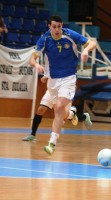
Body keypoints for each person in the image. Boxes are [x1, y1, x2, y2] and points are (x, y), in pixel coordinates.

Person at [29, 15, 96, 155]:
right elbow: (32, 59)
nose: (57, 29)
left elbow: (92, 43)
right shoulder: (45, 39)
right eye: (54, 26)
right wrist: (36, 64)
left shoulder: (70, 34)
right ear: (49, 26)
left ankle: (52, 143)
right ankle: (74, 114)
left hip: (69, 78)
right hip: (53, 81)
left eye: (59, 26)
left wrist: (85, 50)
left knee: (58, 107)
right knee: (62, 113)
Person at [22, 77, 93, 142]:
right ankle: (32, 135)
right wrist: (46, 76)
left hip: (64, 90)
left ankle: (84, 117)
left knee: (65, 117)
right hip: (52, 89)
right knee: (41, 109)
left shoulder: (69, 65)